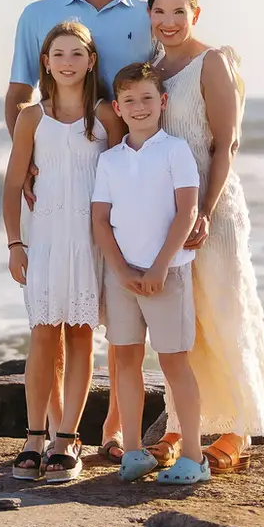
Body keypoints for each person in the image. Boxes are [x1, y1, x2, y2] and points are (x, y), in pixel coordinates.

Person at [5, 0, 151, 459]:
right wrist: (35, 161)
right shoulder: (38, 14)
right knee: (50, 327)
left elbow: (149, 100)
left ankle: (102, 434)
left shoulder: (145, 17)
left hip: (102, 207)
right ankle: (43, 436)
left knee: (103, 324)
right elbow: (17, 96)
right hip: (52, 204)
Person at [146, 0, 264, 471]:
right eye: (159, 13)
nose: (169, 22)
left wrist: (204, 212)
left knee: (224, 308)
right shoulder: (150, 70)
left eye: (178, 13)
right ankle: (178, 427)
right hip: (165, 213)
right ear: (149, 16)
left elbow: (226, 143)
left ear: (195, 15)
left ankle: (238, 430)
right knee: (178, 322)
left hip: (214, 210)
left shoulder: (212, 62)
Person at [2, 21, 124, 482]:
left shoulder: (105, 117)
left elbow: (122, 178)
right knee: (42, 336)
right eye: (59, 54)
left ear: (90, 61)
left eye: (77, 53)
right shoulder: (32, 117)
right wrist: (15, 243)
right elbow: (14, 184)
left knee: (80, 337)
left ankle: (67, 439)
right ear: (46, 63)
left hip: (90, 243)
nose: (68, 62)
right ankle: (34, 436)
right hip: (45, 240)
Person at [91, 61, 209, 485]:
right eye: (129, 100)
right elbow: (101, 221)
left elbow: (187, 211)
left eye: (146, 98)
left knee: (175, 363)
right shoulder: (110, 161)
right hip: (121, 277)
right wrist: (120, 270)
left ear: (161, 103)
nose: (138, 106)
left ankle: (194, 457)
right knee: (126, 359)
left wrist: (160, 265)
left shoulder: (175, 151)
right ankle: (136, 450)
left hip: (168, 274)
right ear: (117, 109)